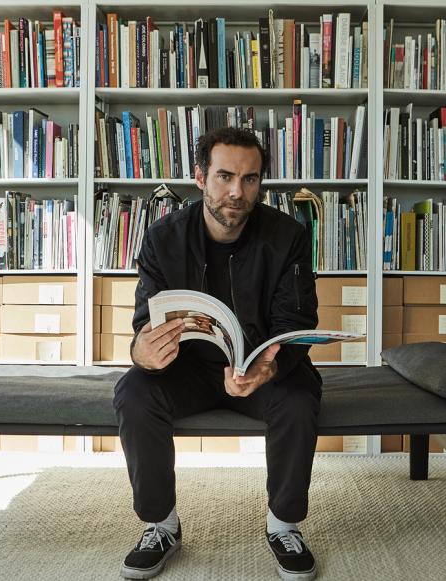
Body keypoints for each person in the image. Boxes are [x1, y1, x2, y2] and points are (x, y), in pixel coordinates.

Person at [113, 126, 322, 581]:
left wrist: (268, 366)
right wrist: (141, 351)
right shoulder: (163, 237)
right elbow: (143, 323)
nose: (237, 191)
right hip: (186, 370)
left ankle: (283, 525)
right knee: (133, 391)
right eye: (225, 176)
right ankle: (160, 524)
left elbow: (298, 323)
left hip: (261, 370)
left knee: (300, 398)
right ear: (200, 178)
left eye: (250, 179)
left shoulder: (288, 235)